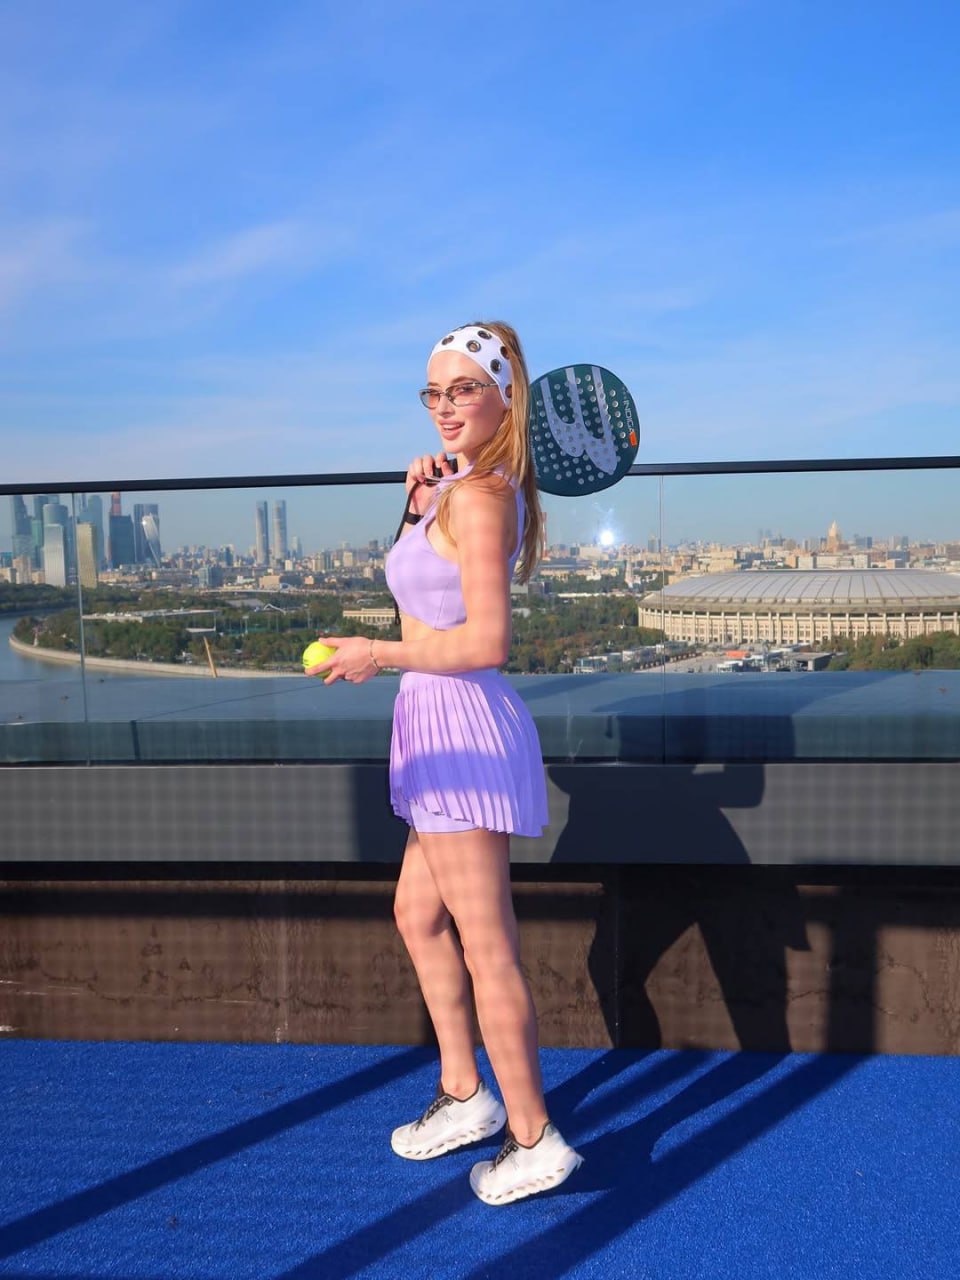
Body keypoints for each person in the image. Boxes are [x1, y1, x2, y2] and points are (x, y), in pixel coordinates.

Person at [309, 321, 584, 1205]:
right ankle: (466, 1094)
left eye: (464, 389)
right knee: (416, 914)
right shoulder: (455, 490)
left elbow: (487, 641)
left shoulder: (484, 496)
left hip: (459, 729)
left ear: (505, 397)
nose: (444, 407)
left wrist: (375, 654)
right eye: (434, 392)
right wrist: (415, 500)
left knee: (486, 945)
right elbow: (425, 597)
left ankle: (533, 1138)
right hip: (434, 727)